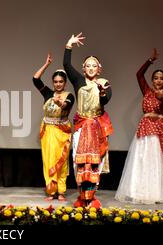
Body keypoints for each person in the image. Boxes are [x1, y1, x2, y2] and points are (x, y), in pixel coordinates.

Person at [115, 48, 163, 204]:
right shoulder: (147, 92)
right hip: (145, 129)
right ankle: (141, 191)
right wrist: (150, 61)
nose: (158, 81)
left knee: (157, 162)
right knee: (142, 160)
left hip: (159, 131)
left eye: (161, 78)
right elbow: (139, 75)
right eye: (155, 78)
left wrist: (160, 94)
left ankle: (157, 193)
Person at [63, 33, 113, 208]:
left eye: (94, 66)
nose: (91, 68)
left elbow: (106, 101)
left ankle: (92, 197)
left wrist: (101, 91)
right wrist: (69, 45)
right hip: (81, 126)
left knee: (95, 164)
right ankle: (81, 196)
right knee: (80, 161)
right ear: (84, 69)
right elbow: (66, 65)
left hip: (97, 128)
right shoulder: (78, 81)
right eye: (88, 66)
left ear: (99, 69)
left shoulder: (104, 83)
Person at [33, 53, 74, 201]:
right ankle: (51, 191)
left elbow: (66, 105)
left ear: (65, 82)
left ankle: (61, 191)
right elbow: (35, 79)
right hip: (48, 131)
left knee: (61, 161)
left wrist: (59, 103)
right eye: (55, 81)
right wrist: (46, 65)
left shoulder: (69, 95)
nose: (58, 84)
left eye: (60, 82)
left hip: (62, 132)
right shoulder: (48, 93)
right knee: (49, 160)